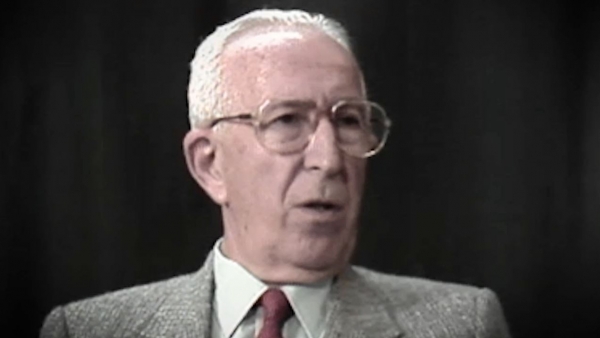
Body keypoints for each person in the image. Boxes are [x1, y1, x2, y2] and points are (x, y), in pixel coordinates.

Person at [40, 8, 511, 338]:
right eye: (287, 120)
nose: (329, 159)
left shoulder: (462, 325)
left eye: (348, 121)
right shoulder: (85, 330)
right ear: (210, 163)